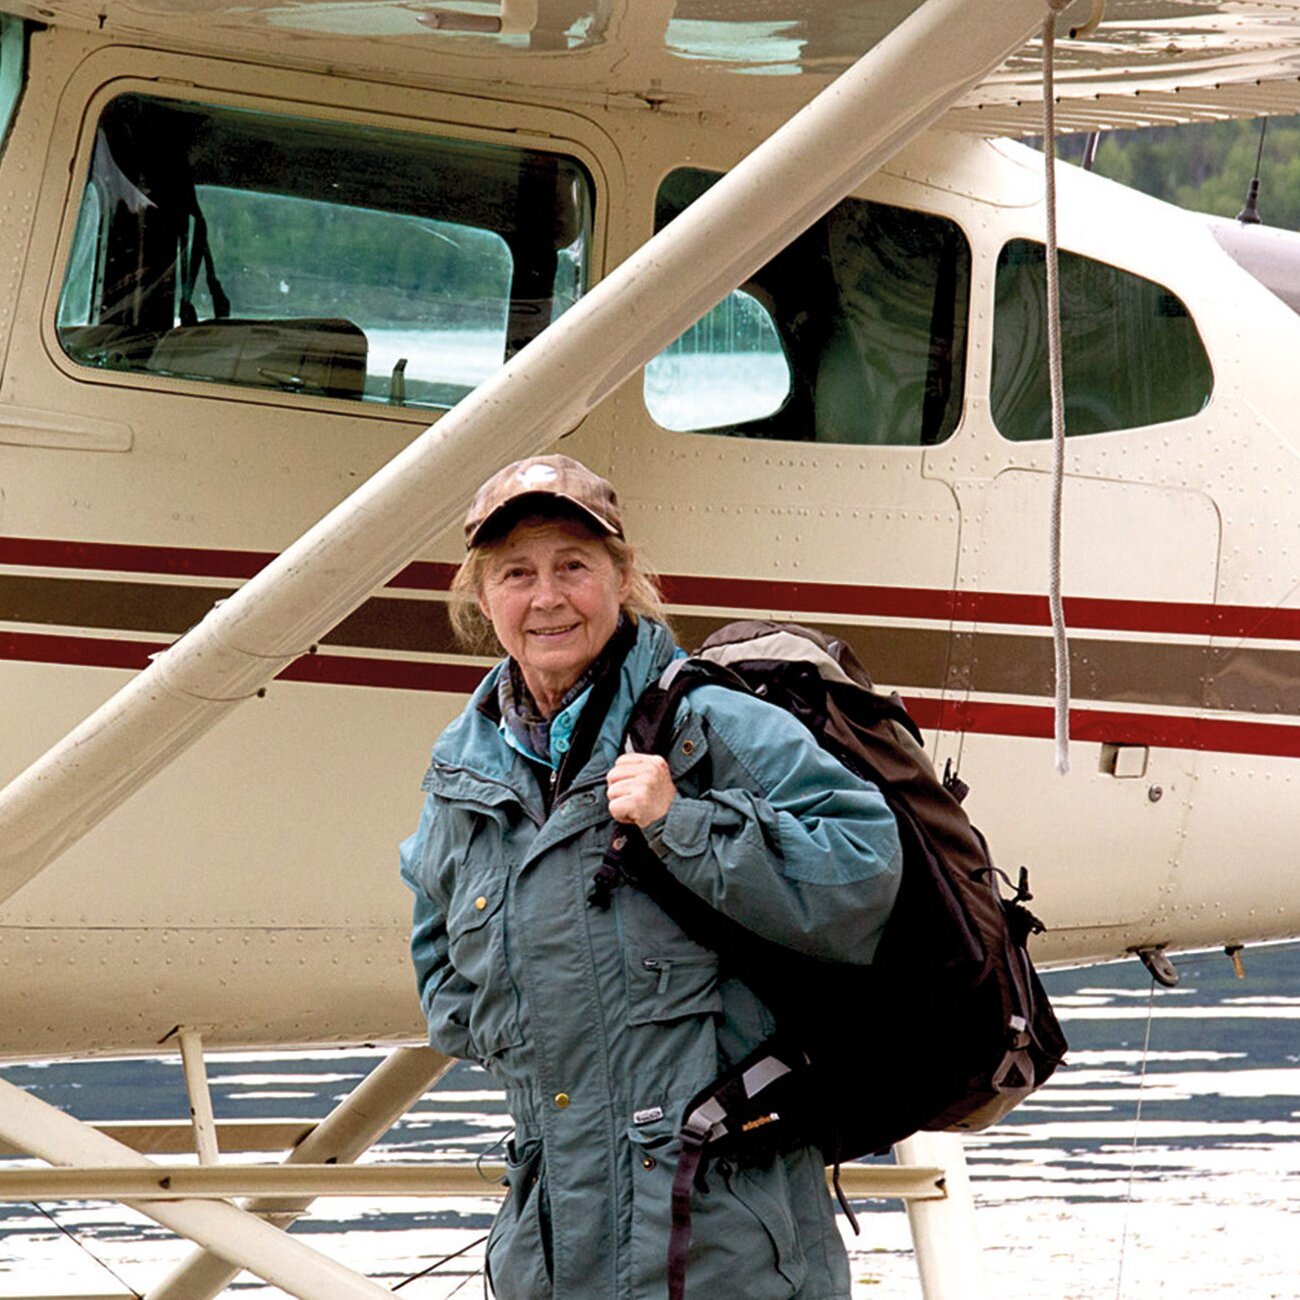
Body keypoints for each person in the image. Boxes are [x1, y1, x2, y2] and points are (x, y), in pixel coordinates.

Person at [399, 454, 902, 1300]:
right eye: (516, 573)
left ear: (623, 579)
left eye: (573, 567)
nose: (547, 597)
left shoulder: (713, 724)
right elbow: (444, 983)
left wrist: (685, 825)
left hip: (725, 1249)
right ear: (483, 596)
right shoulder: (462, 769)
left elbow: (864, 873)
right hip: (549, 1249)